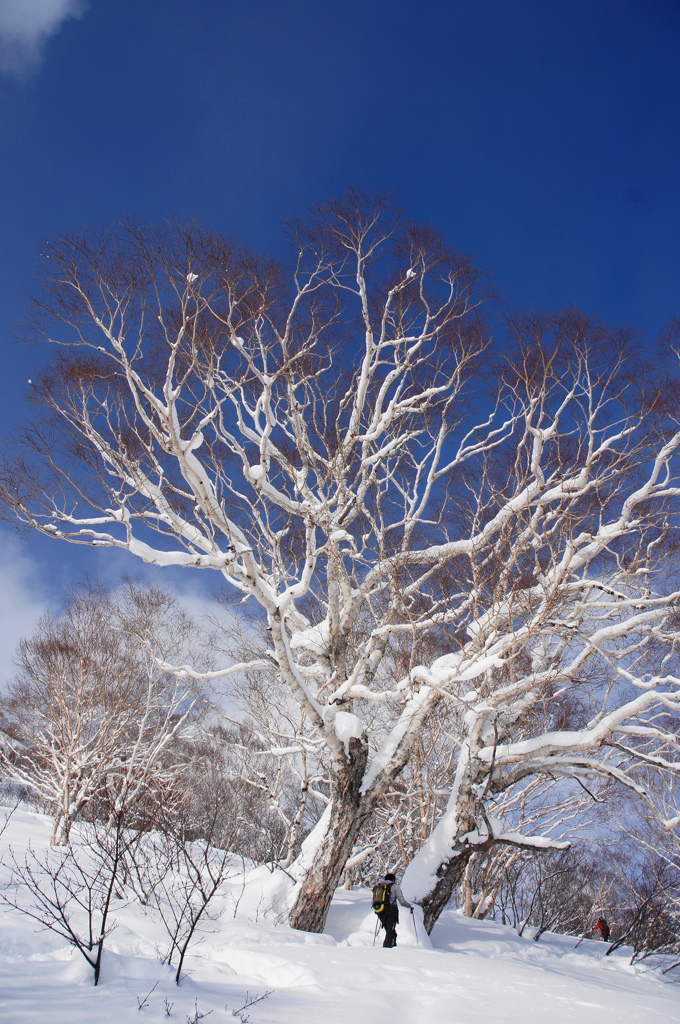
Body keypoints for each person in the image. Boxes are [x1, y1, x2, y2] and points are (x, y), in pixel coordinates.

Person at [375, 871, 413, 948]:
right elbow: (402, 901)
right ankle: (386, 948)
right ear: (393, 880)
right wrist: (410, 906)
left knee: (390, 931)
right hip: (391, 911)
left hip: (380, 911)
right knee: (390, 931)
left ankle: (393, 947)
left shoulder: (380, 886)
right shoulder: (394, 886)